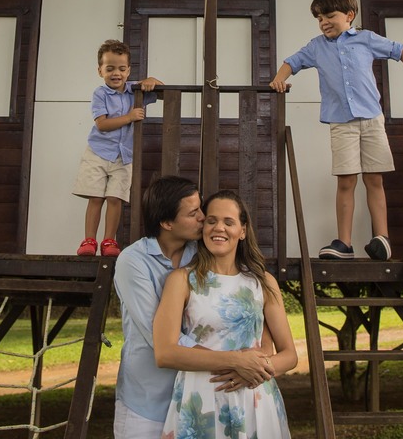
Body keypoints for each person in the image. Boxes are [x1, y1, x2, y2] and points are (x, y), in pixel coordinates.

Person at [269, 0, 403, 260]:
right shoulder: (316, 47)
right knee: (346, 181)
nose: (323, 22)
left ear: (349, 15)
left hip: (371, 119)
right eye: (319, 18)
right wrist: (279, 79)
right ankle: (344, 243)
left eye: (329, 15)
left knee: (374, 179)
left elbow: (399, 50)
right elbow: (291, 62)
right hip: (341, 123)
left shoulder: (366, 39)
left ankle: (382, 238)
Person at [154, 190, 297, 438]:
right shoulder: (181, 280)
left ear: (242, 230)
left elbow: (290, 355)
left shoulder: (263, 282)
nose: (219, 228)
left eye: (228, 222)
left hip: (254, 397)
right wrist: (236, 361)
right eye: (211, 221)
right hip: (201, 402)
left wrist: (256, 368)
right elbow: (165, 353)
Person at [113, 175, 204, 439]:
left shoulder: (202, 254)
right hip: (146, 402)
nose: (202, 217)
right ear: (166, 223)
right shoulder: (133, 261)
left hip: (195, 398)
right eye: (193, 212)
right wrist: (224, 361)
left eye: (200, 208)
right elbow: (159, 337)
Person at [72, 39, 161, 257]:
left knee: (115, 198)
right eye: (109, 68)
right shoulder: (100, 94)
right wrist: (129, 117)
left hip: (124, 156)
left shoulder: (134, 90)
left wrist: (150, 80)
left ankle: (109, 241)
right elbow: (102, 124)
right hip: (99, 153)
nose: (116, 73)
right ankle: (89, 241)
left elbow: (159, 88)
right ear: (100, 70)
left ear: (128, 70)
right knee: (96, 197)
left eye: (122, 69)